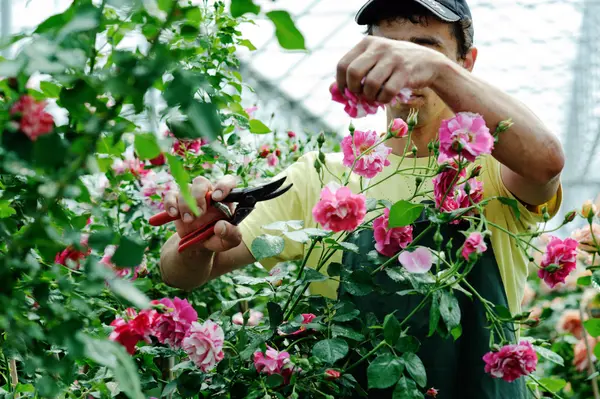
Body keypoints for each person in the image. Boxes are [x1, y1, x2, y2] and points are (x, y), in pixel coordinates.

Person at [159, 0, 564, 397]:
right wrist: (197, 239)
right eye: (389, 49)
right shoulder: (322, 175)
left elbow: (546, 161)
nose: (406, 65)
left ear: (466, 62)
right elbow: (179, 272)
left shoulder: (493, 168)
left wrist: (437, 72)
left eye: (425, 47)